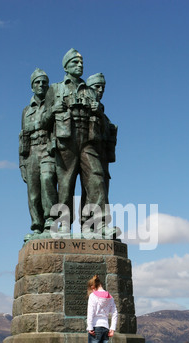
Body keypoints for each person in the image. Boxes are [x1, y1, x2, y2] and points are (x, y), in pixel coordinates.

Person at [41, 49, 118, 238]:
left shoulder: (90, 90)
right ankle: (63, 225)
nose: (80, 66)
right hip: (66, 140)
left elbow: (101, 121)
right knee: (66, 183)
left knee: (96, 179)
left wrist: (98, 109)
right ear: (66, 66)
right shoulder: (55, 89)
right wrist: (52, 111)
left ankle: (97, 225)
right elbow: (43, 122)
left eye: (81, 63)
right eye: (75, 62)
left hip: (89, 140)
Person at [19, 68, 58, 241]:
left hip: (47, 149)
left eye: (44, 82)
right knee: (33, 192)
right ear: (32, 86)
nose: (41, 85)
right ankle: (37, 226)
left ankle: (51, 220)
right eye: (37, 82)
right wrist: (22, 163)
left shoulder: (53, 104)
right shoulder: (26, 111)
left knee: (47, 180)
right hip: (31, 153)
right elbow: (22, 138)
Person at [83, 275, 118, 343]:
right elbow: (115, 312)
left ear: (94, 286)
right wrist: (112, 328)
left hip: (95, 326)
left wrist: (89, 327)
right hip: (105, 327)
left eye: (91, 287)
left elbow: (91, 313)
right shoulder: (110, 297)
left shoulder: (93, 296)